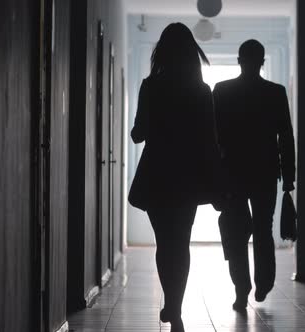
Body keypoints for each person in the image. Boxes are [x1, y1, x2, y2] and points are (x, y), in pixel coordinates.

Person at [129, 22, 220, 332]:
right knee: (180, 241)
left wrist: (144, 129)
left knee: (164, 241)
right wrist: (216, 179)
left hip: (157, 174)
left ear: (162, 53)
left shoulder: (150, 86)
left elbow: (138, 133)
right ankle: (175, 307)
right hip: (188, 177)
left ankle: (171, 301)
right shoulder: (201, 90)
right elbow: (210, 140)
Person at [213, 39, 296, 311]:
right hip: (265, 172)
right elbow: (285, 136)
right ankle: (263, 283)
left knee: (236, 232)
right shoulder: (275, 93)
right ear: (262, 62)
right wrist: (289, 175)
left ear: (239, 60)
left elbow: (214, 137)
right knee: (262, 229)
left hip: (232, 173)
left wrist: (213, 173)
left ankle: (242, 289)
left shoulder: (222, 91)